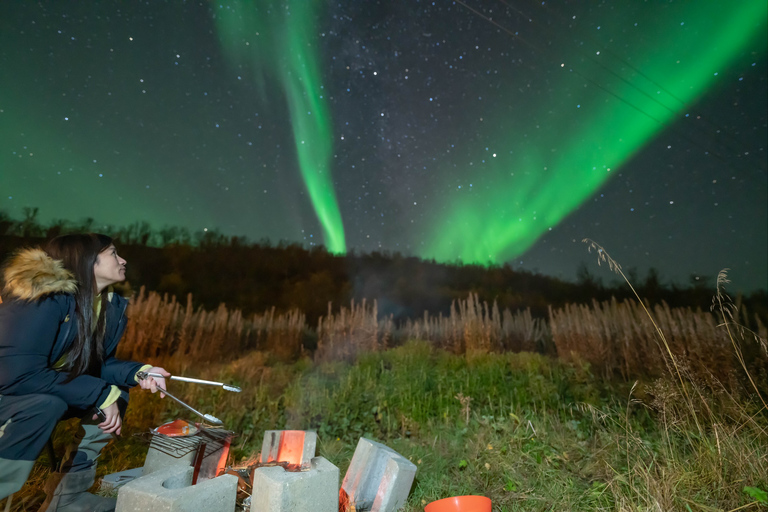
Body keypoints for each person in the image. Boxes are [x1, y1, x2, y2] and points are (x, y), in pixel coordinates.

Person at [0, 233, 170, 512]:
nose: (123, 260)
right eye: (114, 253)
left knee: (117, 393)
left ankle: (68, 497)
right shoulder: (40, 299)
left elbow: (94, 365)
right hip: (11, 392)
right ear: (88, 261)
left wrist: (140, 372)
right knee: (48, 405)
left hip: (37, 390)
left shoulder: (103, 304)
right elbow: (17, 374)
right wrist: (99, 392)